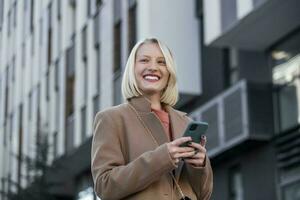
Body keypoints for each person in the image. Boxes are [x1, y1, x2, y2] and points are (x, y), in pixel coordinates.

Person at [91, 38, 213, 200]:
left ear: (169, 72)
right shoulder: (111, 119)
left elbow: (204, 194)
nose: (153, 67)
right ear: (132, 69)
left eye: (162, 62)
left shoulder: (186, 122)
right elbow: (104, 186)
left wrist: (199, 165)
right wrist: (162, 157)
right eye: (144, 60)